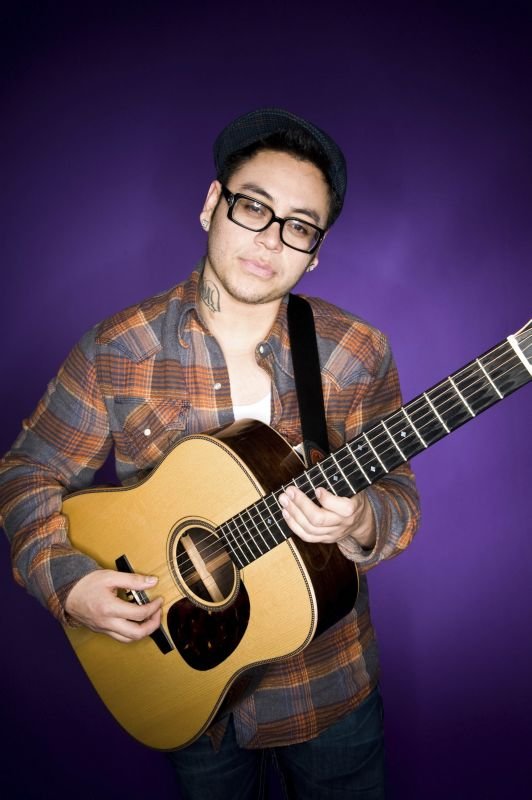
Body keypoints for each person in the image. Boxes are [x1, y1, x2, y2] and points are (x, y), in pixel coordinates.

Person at [0, 108, 420, 799]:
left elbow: (398, 493)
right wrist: (68, 583)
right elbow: (28, 471)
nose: (270, 240)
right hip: (184, 694)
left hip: (329, 688)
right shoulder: (117, 347)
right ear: (211, 204)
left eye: (299, 226)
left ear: (315, 252)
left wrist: (361, 519)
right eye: (253, 207)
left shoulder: (356, 350)